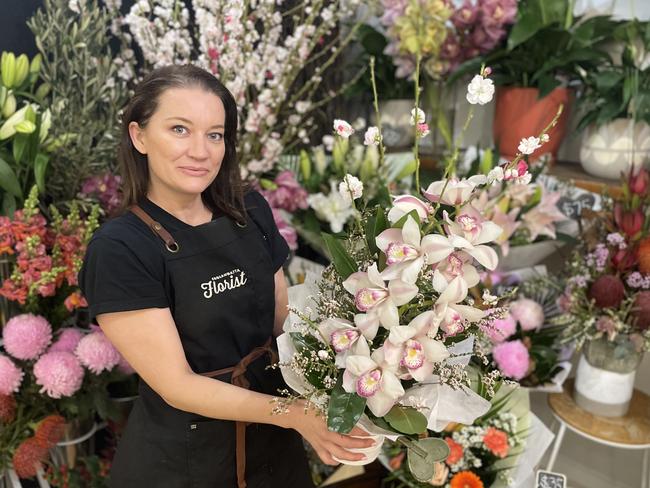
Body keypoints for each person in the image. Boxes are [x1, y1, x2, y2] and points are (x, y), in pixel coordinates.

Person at [78, 64, 373, 488]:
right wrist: (296, 415)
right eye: (179, 129)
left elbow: (284, 321)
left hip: (276, 441)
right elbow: (177, 385)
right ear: (139, 136)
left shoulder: (249, 209)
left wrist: (369, 348)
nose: (200, 151)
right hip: (185, 458)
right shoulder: (121, 248)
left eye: (214, 134)